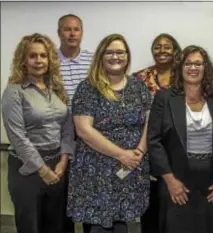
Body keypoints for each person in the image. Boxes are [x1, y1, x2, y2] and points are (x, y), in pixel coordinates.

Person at [67, 33, 151, 233]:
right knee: (98, 226)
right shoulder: (88, 87)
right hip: (96, 171)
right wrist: (122, 154)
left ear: (127, 56)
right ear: (101, 56)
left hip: (130, 168)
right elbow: (84, 129)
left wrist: (138, 152)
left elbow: (150, 121)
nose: (116, 57)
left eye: (120, 52)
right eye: (110, 52)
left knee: (122, 224)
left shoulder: (138, 86)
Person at [148, 45, 213, 233]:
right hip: (176, 181)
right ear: (180, 68)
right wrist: (170, 180)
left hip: (211, 184)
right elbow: (154, 141)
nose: (193, 68)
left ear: (206, 68)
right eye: (188, 63)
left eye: (198, 63)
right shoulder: (164, 98)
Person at [1, 33, 75, 233]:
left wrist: (64, 160)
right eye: (32, 56)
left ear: (50, 59)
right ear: (23, 60)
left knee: (58, 226)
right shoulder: (14, 92)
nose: (39, 61)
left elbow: (67, 128)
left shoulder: (57, 90)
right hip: (28, 169)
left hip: (58, 166)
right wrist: (43, 170)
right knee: (31, 226)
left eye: (43, 56)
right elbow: (18, 137)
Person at [134, 33, 181, 233]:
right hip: (147, 146)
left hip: (177, 146)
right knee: (151, 205)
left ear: (175, 51)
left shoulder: (184, 76)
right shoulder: (139, 77)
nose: (162, 51)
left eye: (167, 47)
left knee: (175, 203)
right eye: (157, 47)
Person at [57, 13, 93, 233]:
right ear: (59, 32)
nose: (72, 33)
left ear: (81, 32)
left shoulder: (93, 61)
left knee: (89, 195)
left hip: (89, 138)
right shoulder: (49, 61)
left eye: (76, 29)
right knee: (62, 197)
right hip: (58, 139)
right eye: (67, 29)